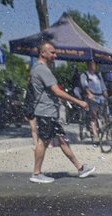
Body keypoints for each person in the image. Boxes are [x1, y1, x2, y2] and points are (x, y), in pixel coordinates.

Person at [28, 41, 95, 184]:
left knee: (62, 139)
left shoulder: (39, 68)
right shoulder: (42, 69)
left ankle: (80, 168)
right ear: (42, 53)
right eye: (52, 52)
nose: (55, 55)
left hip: (49, 111)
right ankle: (36, 173)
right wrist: (78, 101)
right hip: (46, 111)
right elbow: (56, 91)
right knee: (43, 141)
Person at [79, 60, 107, 144]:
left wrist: (106, 95)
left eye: (95, 64)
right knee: (93, 116)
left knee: (103, 115)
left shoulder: (98, 75)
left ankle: (103, 132)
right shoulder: (84, 75)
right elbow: (85, 85)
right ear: (89, 65)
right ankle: (95, 135)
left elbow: (103, 87)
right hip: (92, 97)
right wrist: (89, 93)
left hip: (100, 97)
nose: (94, 66)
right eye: (93, 64)